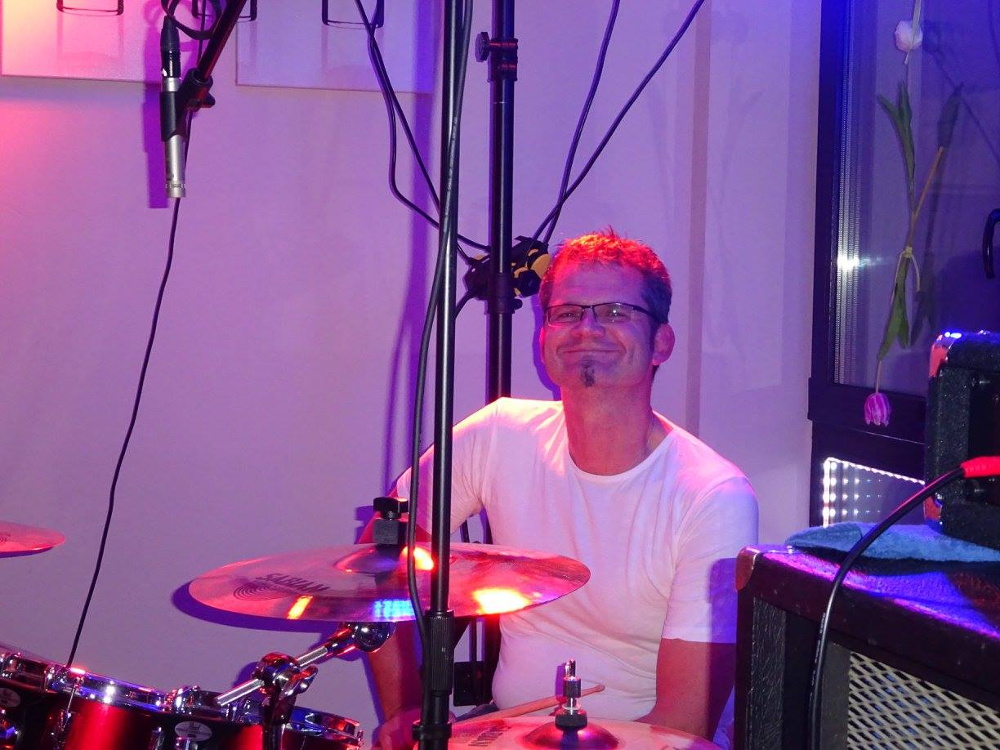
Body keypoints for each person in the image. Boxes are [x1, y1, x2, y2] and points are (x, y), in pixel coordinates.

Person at [367, 229, 758, 748]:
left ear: (661, 342)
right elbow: (383, 546)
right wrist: (406, 706)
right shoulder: (499, 434)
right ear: (544, 337)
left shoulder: (712, 496)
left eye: (616, 312)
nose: (587, 328)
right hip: (504, 733)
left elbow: (682, 727)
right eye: (567, 313)